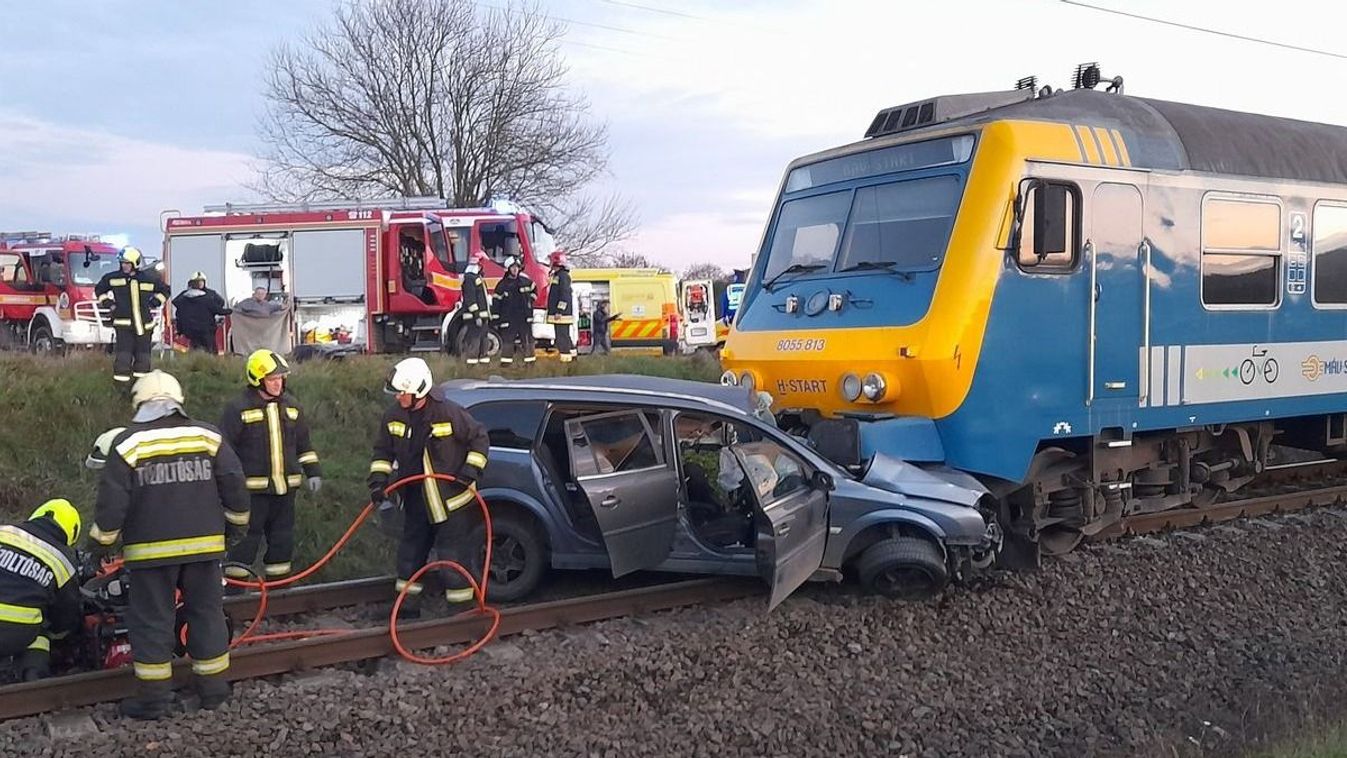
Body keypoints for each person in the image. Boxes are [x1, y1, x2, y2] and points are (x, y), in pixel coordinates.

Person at [88, 370, 250, 719]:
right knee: (206, 615)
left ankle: (154, 701)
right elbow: (234, 485)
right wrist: (235, 529)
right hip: (205, 549)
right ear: (178, 400)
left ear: (140, 404)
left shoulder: (127, 444)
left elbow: (112, 505)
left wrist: (100, 546)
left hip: (150, 554)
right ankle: (214, 692)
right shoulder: (208, 435)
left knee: (152, 622)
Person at [367, 358, 489, 618]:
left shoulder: (448, 413)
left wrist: (469, 471)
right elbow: (383, 452)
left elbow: (479, 439)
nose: (399, 397)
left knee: (452, 558)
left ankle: (461, 610)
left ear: (419, 391)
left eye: (403, 392)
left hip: (451, 502)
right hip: (415, 500)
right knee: (410, 554)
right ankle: (407, 607)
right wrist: (378, 482)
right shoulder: (393, 417)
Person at [219, 350, 321, 586]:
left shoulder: (292, 407)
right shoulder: (238, 409)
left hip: (286, 491)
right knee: (246, 542)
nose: (278, 383)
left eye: (281, 378)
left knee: (282, 542)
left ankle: (280, 593)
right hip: (251, 493)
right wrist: (229, 487)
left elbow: (304, 446)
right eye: (273, 379)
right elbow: (225, 451)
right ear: (257, 380)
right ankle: (235, 594)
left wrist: (313, 472)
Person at [0, 499, 82, 681]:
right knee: (42, 627)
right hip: (16, 634)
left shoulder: (4, 532)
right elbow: (66, 615)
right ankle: (33, 676)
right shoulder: (63, 559)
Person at [94, 246, 171, 386]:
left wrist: (156, 301)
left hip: (145, 327)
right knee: (123, 359)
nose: (124, 266)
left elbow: (165, 290)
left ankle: (141, 387)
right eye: (122, 263)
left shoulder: (149, 278)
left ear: (134, 263)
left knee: (143, 360)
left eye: (127, 263)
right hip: (124, 327)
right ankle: (121, 390)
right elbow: (99, 290)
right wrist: (108, 304)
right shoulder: (112, 278)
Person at [493, 256, 537, 365]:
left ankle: (530, 365)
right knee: (508, 342)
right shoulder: (502, 285)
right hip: (509, 319)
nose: (515, 270)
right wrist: (496, 320)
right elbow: (496, 303)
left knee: (527, 342)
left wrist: (530, 301)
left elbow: (534, 289)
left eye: (517, 267)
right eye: (512, 268)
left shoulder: (525, 281)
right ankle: (506, 366)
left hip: (524, 318)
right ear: (508, 269)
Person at [171, 272, 231, 353]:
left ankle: (196, 362)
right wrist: (231, 311)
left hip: (190, 331)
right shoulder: (207, 297)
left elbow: (177, 309)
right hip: (206, 331)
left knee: (195, 349)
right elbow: (219, 309)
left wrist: (180, 330)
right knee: (211, 351)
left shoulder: (183, 297)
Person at [460, 251, 492, 365]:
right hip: (474, 317)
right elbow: (471, 300)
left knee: (483, 340)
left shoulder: (476, 278)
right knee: (474, 340)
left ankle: (483, 364)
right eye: (480, 266)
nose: (481, 268)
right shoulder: (469, 279)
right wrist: (477, 315)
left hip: (481, 317)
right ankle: (472, 365)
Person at [545, 251, 575, 362]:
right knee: (565, 337)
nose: (550, 263)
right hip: (561, 314)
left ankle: (566, 362)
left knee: (562, 338)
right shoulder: (558, 275)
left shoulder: (563, 276)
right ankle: (573, 358)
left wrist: (559, 311)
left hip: (561, 315)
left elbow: (564, 295)